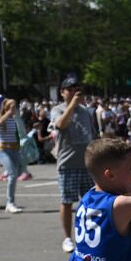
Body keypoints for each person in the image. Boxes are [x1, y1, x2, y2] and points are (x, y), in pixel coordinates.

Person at [50, 78, 97, 252]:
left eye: (77, 89)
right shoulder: (57, 109)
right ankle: (68, 238)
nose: (74, 92)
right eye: (70, 89)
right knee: (67, 202)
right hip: (67, 163)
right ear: (62, 92)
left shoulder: (86, 111)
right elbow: (61, 125)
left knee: (90, 202)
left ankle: (89, 236)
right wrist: (72, 105)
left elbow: (93, 135)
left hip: (87, 163)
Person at [0, 97, 26, 213]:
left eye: (14, 106)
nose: (13, 109)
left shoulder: (13, 119)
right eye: (11, 106)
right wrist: (8, 113)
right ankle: (10, 203)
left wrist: (17, 117)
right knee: (12, 175)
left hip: (15, 150)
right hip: (3, 150)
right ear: (5, 107)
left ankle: (7, 174)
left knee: (20, 171)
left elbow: (21, 132)